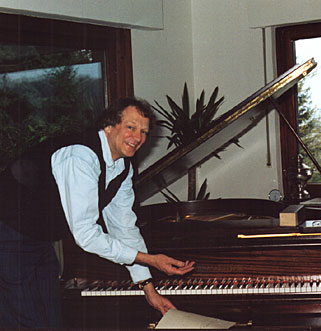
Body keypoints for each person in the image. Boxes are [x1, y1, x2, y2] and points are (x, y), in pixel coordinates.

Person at [0, 97, 195, 328]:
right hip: (8, 234)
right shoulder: (81, 156)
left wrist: (149, 291)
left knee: (52, 322)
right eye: (130, 127)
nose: (138, 138)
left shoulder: (123, 167)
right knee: (26, 324)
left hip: (41, 240)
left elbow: (124, 228)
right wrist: (151, 259)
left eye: (144, 132)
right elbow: (86, 235)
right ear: (109, 126)